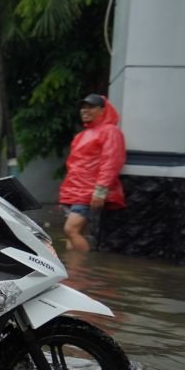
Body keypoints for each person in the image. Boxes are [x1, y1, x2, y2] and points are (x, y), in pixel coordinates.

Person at [60, 93, 126, 252]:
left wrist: (100, 191)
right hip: (74, 192)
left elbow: (111, 162)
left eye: (91, 106)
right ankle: (74, 273)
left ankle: (85, 270)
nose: (85, 110)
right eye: (83, 106)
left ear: (103, 110)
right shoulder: (81, 135)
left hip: (89, 193)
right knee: (73, 234)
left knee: (71, 230)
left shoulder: (110, 131)